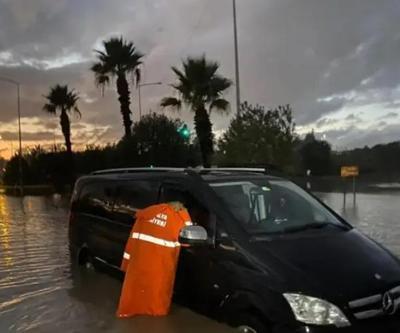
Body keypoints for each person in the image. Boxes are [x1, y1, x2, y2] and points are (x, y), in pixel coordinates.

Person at [117, 201, 192, 318]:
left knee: (134, 297)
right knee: (157, 306)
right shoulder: (178, 218)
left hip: (138, 264)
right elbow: (188, 241)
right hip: (161, 267)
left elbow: (132, 239)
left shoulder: (147, 213)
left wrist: (126, 263)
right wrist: (185, 215)